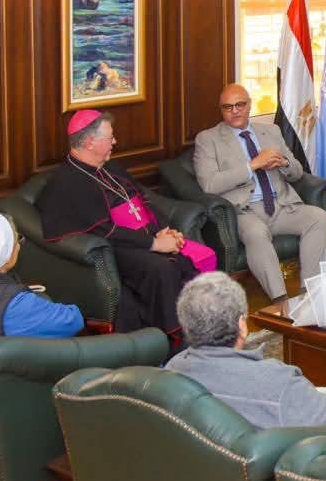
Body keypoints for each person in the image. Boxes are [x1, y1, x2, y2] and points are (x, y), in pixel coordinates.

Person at [37, 110, 214, 336]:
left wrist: (165, 230)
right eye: (110, 137)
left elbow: (143, 201)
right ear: (90, 142)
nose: (115, 142)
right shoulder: (69, 182)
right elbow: (105, 230)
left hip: (145, 237)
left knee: (185, 259)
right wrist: (154, 244)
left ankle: (201, 327)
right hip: (117, 247)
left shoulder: (110, 168)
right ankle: (172, 338)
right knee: (162, 268)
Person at [166, 272, 326, 429]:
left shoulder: (172, 369)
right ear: (242, 325)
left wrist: (307, 394)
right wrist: (312, 397)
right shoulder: (276, 380)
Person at [194, 83, 326, 299]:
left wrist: (284, 163)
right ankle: (280, 301)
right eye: (228, 107)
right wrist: (253, 165)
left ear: (249, 105)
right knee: (256, 233)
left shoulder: (271, 131)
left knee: (319, 218)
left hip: (281, 204)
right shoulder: (208, 139)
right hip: (244, 210)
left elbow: (297, 172)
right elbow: (209, 184)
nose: (234, 111)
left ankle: (310, 294)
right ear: (221, 110)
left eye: (240, 105)